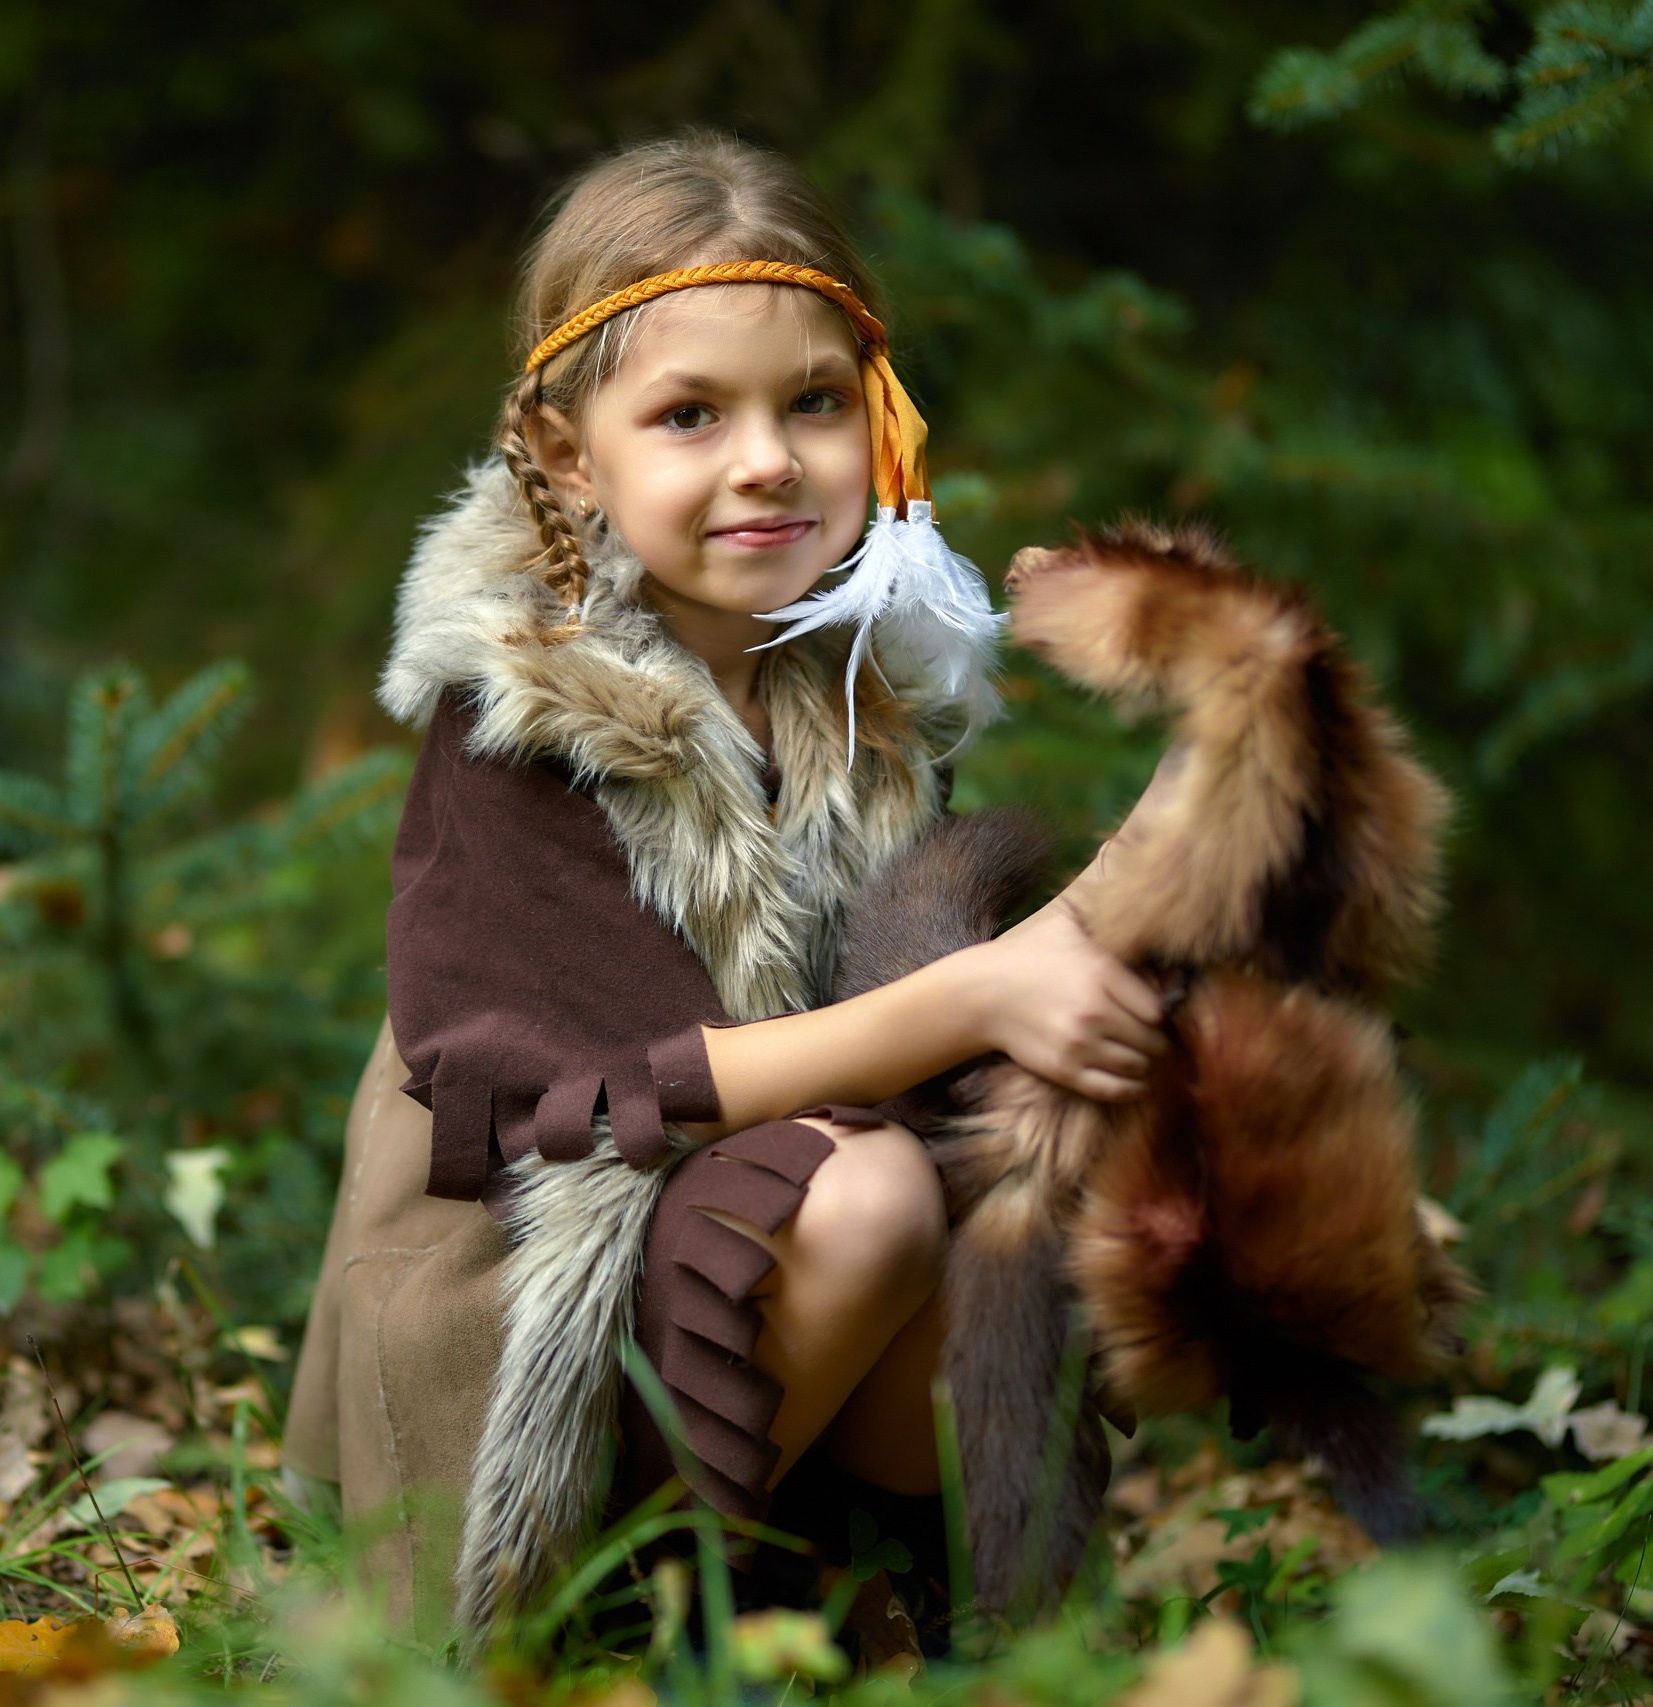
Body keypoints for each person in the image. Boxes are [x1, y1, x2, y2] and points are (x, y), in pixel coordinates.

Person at [281, 130, 1165, 1640]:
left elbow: (923, 1022)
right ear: (572, 457)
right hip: (539, 1270)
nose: (767, 461)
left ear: (875, 418)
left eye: (812, 403)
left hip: (767, 1256)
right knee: (875, 1198)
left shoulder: (866, 696)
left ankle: (858, 1590)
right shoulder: (522, 717)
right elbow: (610, 1106)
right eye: (689, 414)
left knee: (1004, 1220)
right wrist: (971, 999)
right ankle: (625, 1611)